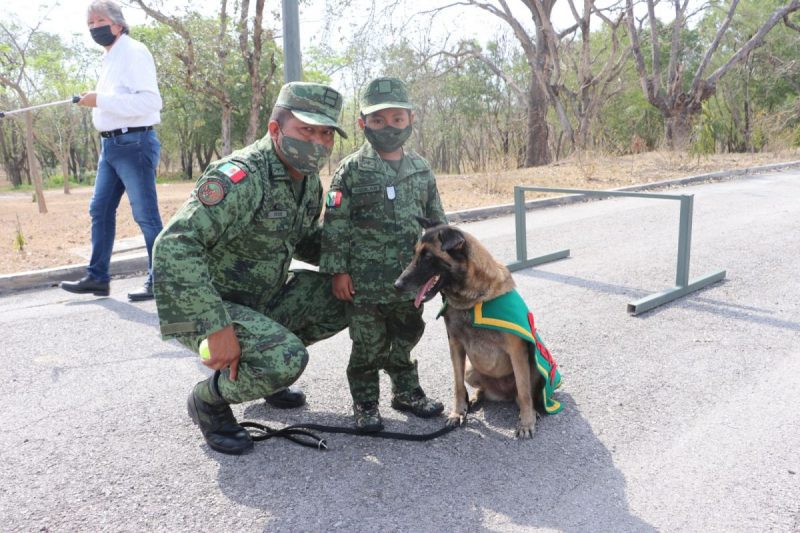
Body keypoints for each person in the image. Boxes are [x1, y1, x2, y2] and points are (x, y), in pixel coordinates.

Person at [152, 82, 350, 455]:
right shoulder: (241, 177)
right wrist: (216, 325)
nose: (318, 143)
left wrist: (348, 262)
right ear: (275, 129)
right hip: (207, 305)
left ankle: (264, 372)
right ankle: (207, 400)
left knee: (341, 296)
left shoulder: (306, 180)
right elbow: (175, 244)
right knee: (287, 358)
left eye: (326, 134)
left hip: (260, 296)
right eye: (306, 130)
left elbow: (304, 238)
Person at [319, 77, 446, 432]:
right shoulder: (351, 171)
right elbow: (336, 225)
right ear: (362, 123)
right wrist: (338, 272)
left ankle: (406, 392)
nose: (387, 127)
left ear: (410, 119)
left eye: (396, 120)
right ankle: (365, 403)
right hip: (365, 284)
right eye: (377, 121)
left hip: (410, 282)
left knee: (407, 334)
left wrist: (441, 271)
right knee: (367, 345)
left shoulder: (421, 170)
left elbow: (437, 225)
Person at [59, 0, 164, 302]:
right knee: (100, 209)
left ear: (117, 24)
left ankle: (162, 280)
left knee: (145, 216)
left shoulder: (133, 52)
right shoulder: (111, 57)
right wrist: (99, 101)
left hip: (134, 144)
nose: (95, 27)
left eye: (100, 21)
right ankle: (97, 278)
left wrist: (100, 100)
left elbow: (150, 103)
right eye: (90, 24)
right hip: (111, 146)